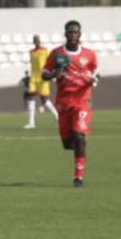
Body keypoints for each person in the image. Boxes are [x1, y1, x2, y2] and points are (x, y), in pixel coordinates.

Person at [42, 20, 99, 188]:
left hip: (82, 102)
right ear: (65, 34)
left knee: (79, 136)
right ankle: (79, 149)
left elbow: (96, 72)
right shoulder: (57, 54)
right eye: (70, 32)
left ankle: (78, 177)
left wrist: (94, 78)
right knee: (68, 144)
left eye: (76, 33)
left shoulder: (89, 54)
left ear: (80, 35)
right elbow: (44, 73)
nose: (73, 35)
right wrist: (54, 74)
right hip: (63, 103)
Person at [20, 35, 58, 129]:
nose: (36, 41)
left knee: (44, 100)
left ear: (40, 41)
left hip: (43, 77)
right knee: (30, 96)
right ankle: (31, 122)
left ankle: (58, 117)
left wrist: (51, 74)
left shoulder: (45, 50)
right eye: (35, 40)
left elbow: (50, 61)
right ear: (33, 41)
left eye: (38, 40)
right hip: (34, 78)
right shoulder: (31, 52)